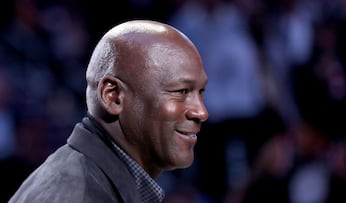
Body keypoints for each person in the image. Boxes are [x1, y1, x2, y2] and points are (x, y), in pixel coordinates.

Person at [9, 19, 209, 203]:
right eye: (181, 91)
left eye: (200, 93)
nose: (201, 112)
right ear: (112, 96)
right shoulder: (79, 194)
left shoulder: (91, 180)